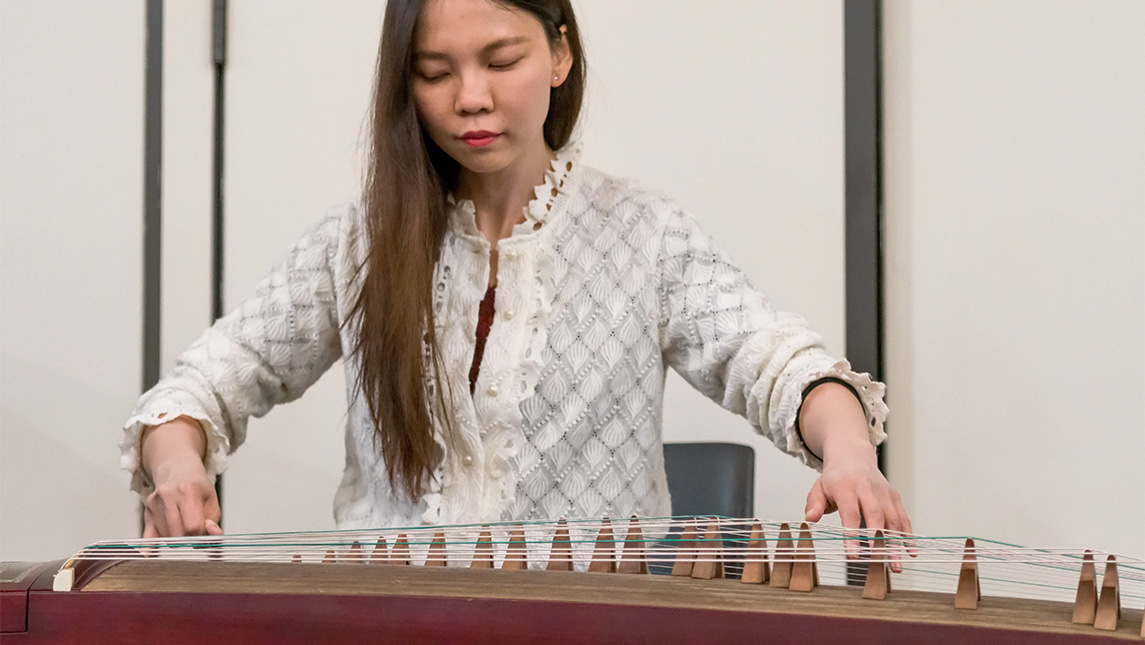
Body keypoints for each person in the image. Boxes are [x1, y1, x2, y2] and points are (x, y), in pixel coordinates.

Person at [121, 0, 911, 559]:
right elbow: (203, 385)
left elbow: (773, 360)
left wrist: (846, 450)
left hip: (589, 626)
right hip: (386, 623)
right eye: (434, 72)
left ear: (560, 52)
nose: (471, 98)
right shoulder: (357, 241)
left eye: (501, 59)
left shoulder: (644, 235)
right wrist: (177, 461)